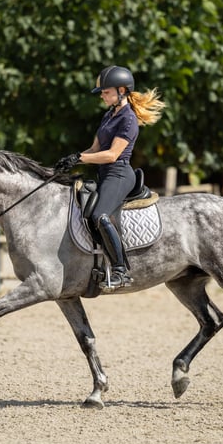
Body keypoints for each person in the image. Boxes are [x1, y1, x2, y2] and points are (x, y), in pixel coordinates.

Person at [55, 65, 165, 289]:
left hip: (120, 173)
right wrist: (73, 159)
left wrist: (80, 158)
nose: (103, 96)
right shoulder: (108, 116)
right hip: (104, 173)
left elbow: (112, 155)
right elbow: (96, 148)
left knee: (100, 215)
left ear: (121, 90)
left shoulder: (128, 120)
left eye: (106, 92)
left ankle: (120, 270)